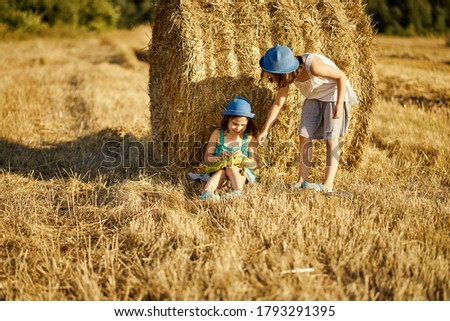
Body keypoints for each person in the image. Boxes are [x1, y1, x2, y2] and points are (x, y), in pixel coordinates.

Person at [257, 44, 358, 194]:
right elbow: (278, 103)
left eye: (272, 76)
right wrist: (265, 129)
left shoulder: (313, 66)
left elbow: (341, 76)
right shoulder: (287, 76)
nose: (270, 78)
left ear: (283, 74)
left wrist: (339, 104)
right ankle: (302, 180)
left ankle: (328, 185)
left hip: (334, 95)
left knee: (331, 139)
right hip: (314, 97)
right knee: (304, 136)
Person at [194, 96, 258, 201]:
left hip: (240, 172)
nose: (238, 128)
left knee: (232, 168)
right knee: (222, 171)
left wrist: (243, 159)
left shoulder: (249, 137)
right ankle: (207, 193)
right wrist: (218, 157)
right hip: (219, 169)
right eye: (235, 124)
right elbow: (206, 159)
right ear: (227, 120)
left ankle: (237, 192)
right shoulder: (217, 134)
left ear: (248, 123)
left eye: (243, 125)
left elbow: (254, 164)